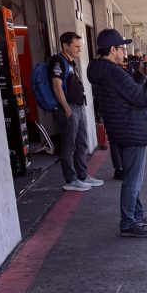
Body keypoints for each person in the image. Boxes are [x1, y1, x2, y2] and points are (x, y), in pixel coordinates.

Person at [86, 28, 147, 237]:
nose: (124, 51)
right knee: (133, 180)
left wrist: (140, 75)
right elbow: (145, 98)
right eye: (121, 48)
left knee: (131, 176)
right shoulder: (114, 72)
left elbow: (128, 91)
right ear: (112, 50)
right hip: (132, 129)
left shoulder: (101, 71)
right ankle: (128, 223)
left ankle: (137, 214)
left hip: (121, 128)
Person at [50, 31, 102, 193]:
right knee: (69, 145)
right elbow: (56, 86)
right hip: (70, 108)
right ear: (65, 46)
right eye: (76, 46)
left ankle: (82, 175)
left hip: (79, 107)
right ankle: (70, 180)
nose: (79, 49)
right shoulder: (58, 61)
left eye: (80, 46)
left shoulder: (70, 62)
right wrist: (67, 109)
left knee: (82, 143)